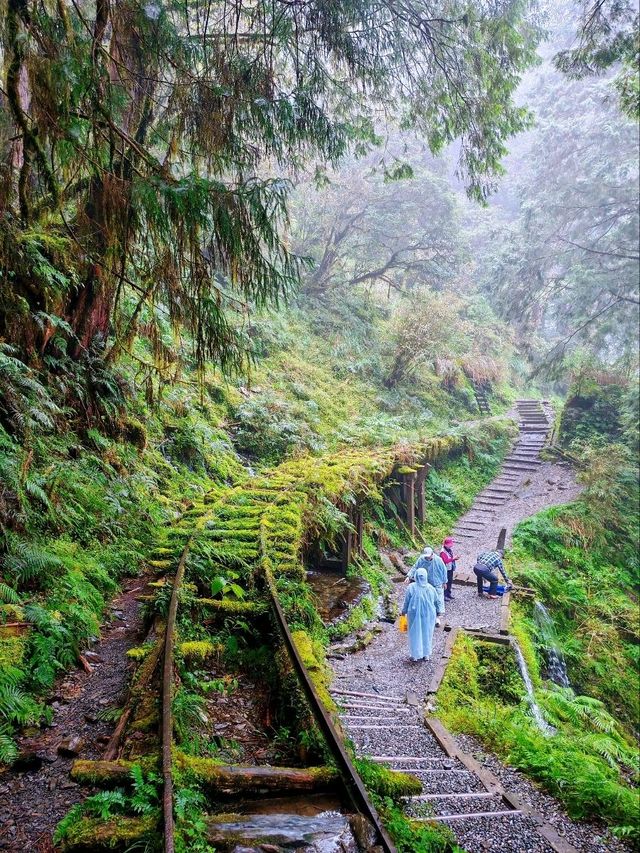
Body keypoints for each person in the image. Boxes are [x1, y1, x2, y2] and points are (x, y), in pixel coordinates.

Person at [400, 567, 441, 662]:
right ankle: (426, 654)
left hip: (414, 615)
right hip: (428, 615)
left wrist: (404, 611)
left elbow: (406, 601)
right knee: (427, 633)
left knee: (414, 633)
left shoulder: (411, 587)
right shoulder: (431, 588)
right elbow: (437, 601)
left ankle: (414, 655)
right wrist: (438, 612)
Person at [407, 546, 447, 626]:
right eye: (426, 557)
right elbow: (415, 567)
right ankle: (426, 616)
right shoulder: (421, 559)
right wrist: (409, 576)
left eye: (429, 556)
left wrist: (444, 581)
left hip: (437, 582)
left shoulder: (438, 560)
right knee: (426, 599)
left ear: (432, 554)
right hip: (426, 583)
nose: (428, 558)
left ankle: (437, 618)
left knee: (438, 600)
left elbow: (444, 570)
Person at [440, 536, 460, 601]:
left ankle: (448, 593)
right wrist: (453, 558)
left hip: (450, 568)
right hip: (446, 569)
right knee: (446, 581)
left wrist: (454, 558)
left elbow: (449, 558)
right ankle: (444, 595)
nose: (452, 544)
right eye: (451, 543)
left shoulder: (449, 550)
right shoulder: (443, 551)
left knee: (450, 581)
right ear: (446, 544)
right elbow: (445, 560)